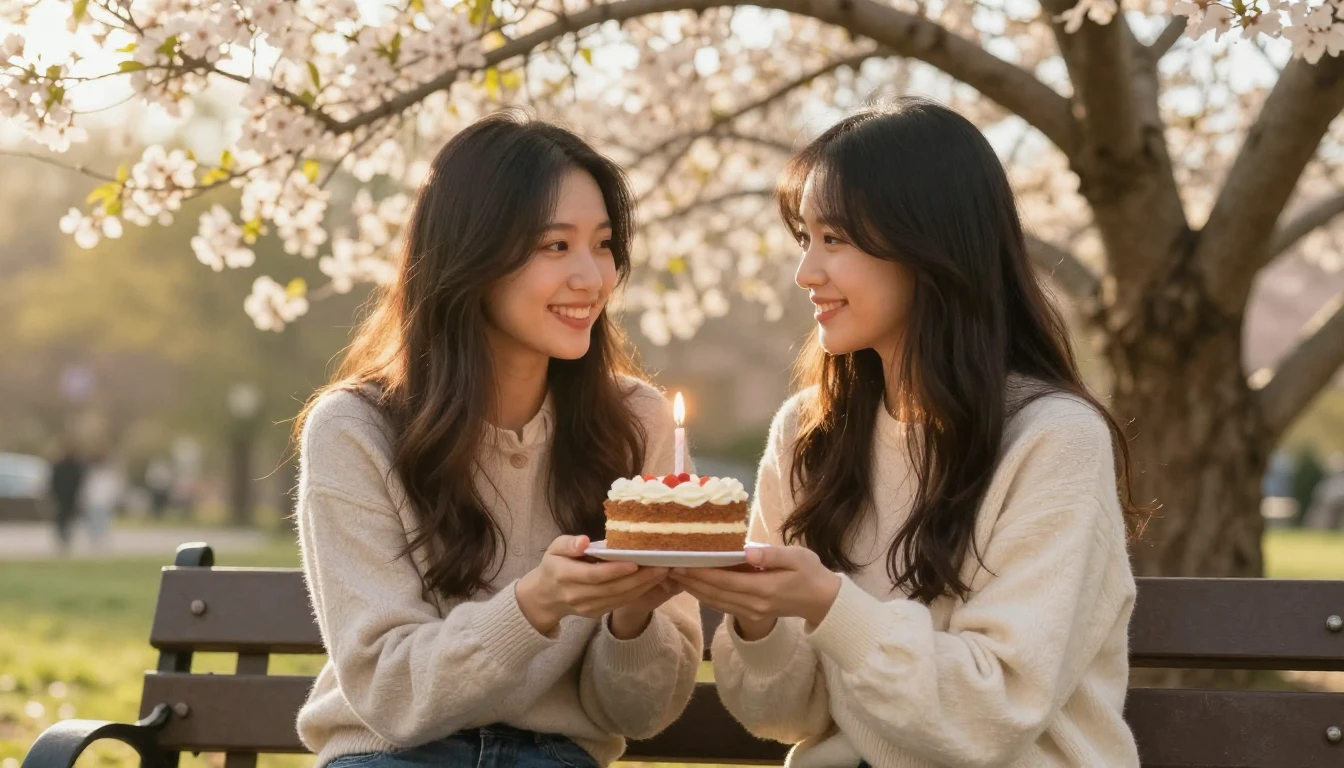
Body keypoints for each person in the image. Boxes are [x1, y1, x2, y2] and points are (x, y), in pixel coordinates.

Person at [672, 99, 1146, 767]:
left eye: (833, 240)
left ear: (929, 247)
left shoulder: (1053, 440)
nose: (807, 272)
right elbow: (785, 714)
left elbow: (989, 714)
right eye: (803, 239)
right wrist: (758, 618)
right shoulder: (809, 433)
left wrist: (828, 603)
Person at [291, 110, 701, 768]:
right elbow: (390, 694)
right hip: (394, 755)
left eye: (602, 245)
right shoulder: (355, 428)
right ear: (473, 257)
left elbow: (639, 714)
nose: (592, 279)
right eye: (555, 246)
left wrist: (631, 617)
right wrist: (537, 604)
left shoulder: (637, 423)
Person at [48, 441, 86, 555]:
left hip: (71, 497)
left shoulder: (76, 466)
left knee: (69, 520)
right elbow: (53, 481)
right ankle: (63, 540)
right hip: (61, 497)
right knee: (61, 520)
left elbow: (80, 482)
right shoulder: (59, 466)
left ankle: (67, 540)